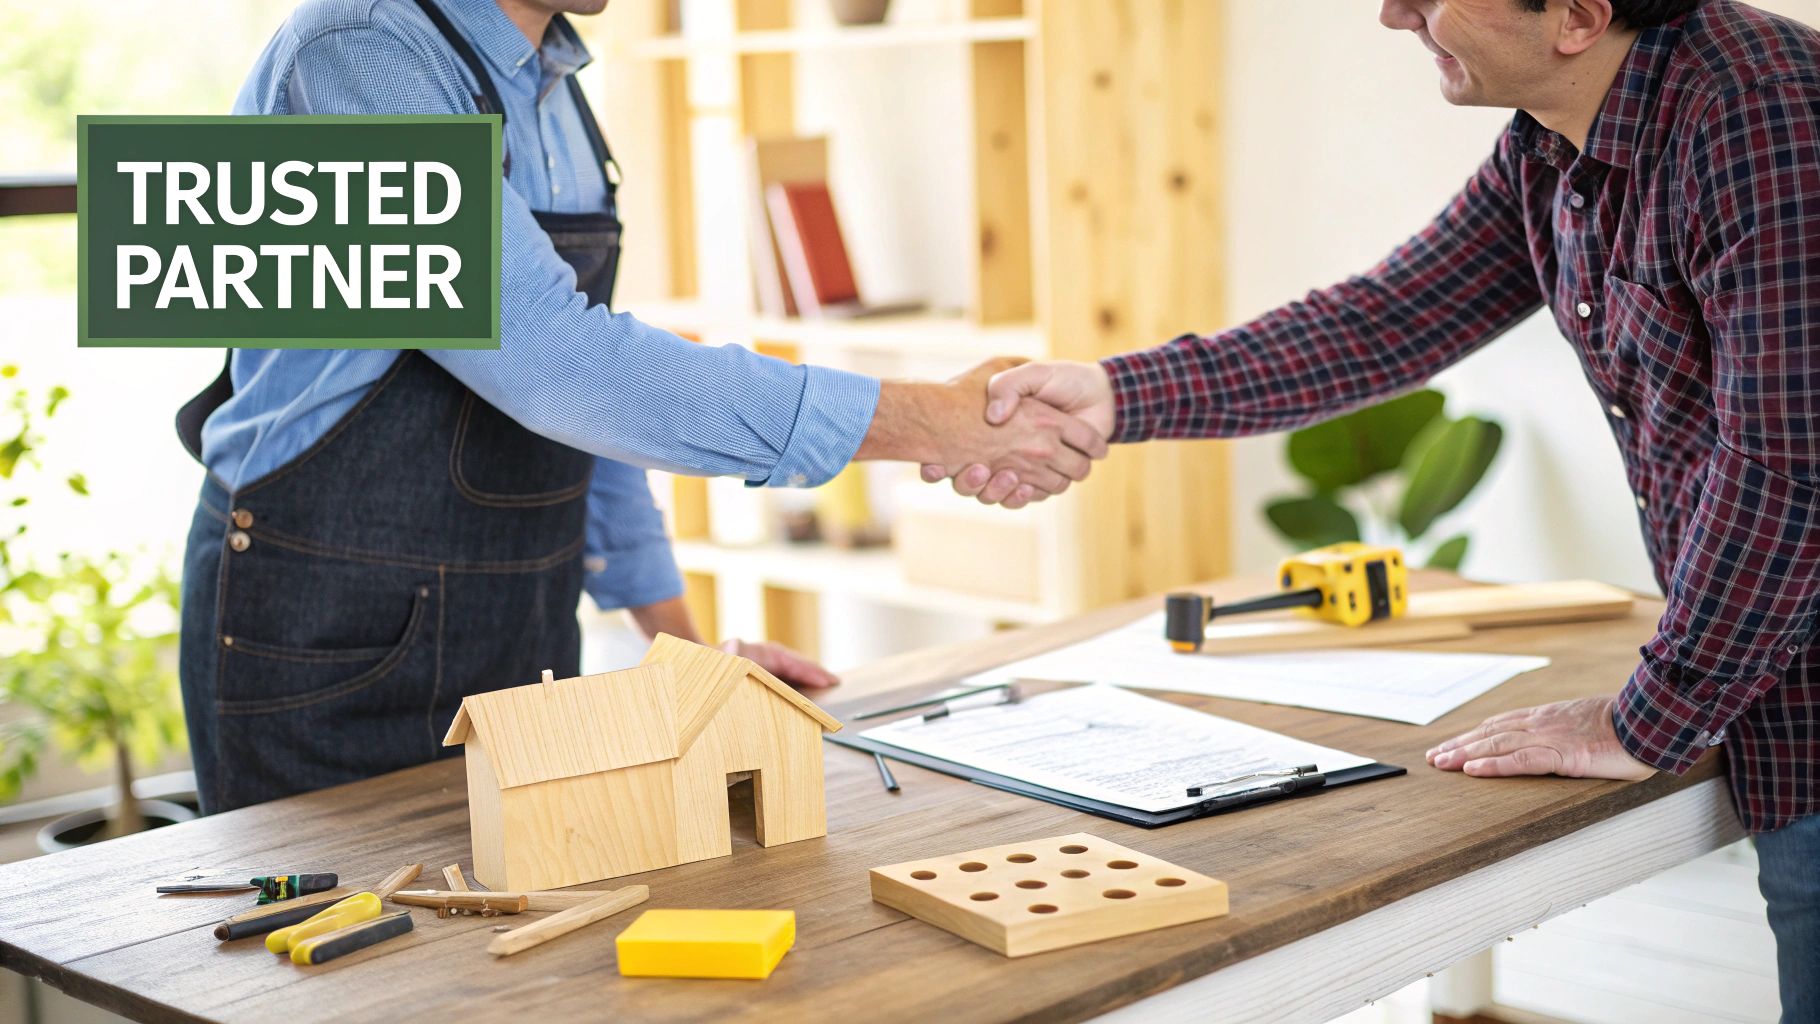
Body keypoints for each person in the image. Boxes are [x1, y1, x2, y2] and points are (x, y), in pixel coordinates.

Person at [939, 0, 1820, 1014]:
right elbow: (1382, 320)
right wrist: (1114, 393)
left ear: (1575, 16)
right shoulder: (1555, 144)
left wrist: (1644, 719)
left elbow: (1786, 467)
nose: (1391, 11)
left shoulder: (1761, 120)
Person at [177, 0, 1107, 814]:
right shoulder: (359, 52)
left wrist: (686, 656)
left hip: (516, 620)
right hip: (327, 629)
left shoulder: (555, 85)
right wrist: (928, 419)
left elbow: (590, 421)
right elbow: (557, 367)